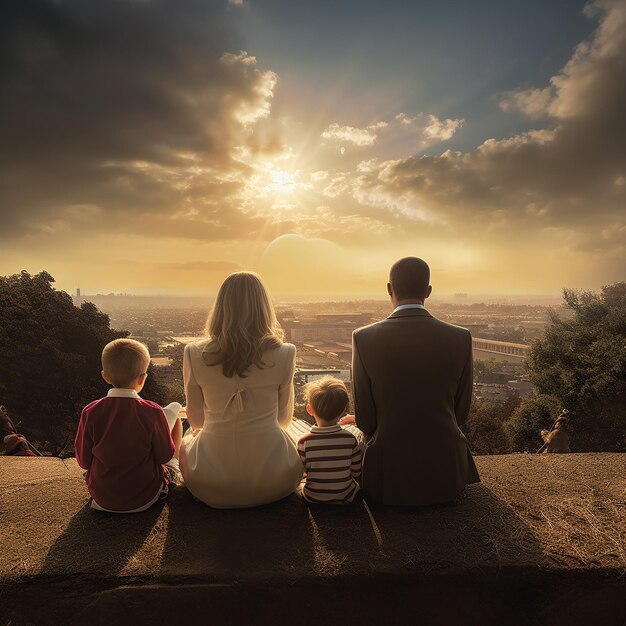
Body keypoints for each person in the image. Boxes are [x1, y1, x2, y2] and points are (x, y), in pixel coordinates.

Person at [342, 257, 480, 506]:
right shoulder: (461, 337)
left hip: (387, 482)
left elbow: (366, 420)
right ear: (428, 291)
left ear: (389, 289)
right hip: (447, 478)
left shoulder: (363, 338)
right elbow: (461, 413)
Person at [179, 272, 304, 508]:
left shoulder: (194, 353)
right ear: (263, 307)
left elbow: (196, 421)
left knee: (185, 444)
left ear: (220, 307)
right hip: (276, 480)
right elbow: (284, 419)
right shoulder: (285, 353)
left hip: (209, 482)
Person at [75, 338, 183, 513]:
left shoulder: (90, 412)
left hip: (103, 498)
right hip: (146, 497)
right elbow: (164, 456)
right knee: (175, 424)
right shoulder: (152, 412)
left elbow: (83, 461)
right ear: (143, 378)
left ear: (105, 376)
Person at [297, 377, 362, 505]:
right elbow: (356, 471)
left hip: (313, 498)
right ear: (344, 410)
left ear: (309, 410)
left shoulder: (303, 442)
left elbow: (300, 473)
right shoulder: (349, 439)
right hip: (345, 496)